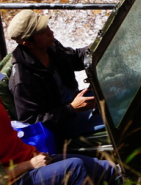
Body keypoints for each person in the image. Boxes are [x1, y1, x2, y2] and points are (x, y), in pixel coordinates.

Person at [0, 52, 121, 185]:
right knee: (75, 167)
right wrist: (28, 165)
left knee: (108, 168)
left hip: (32, 159)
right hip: (14, 184)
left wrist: (32, 158)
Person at [6, 10, 104, 142]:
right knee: (115, 114)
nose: (50, 32)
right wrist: (71, 109)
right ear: (29, 43)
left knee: (123, 93)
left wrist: (100, 46)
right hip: (62, 124)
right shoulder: (24, 80)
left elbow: (75, 58)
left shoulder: (50, 46)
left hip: (76, 101)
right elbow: (31, 122)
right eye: (42, 31)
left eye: (47, 26)